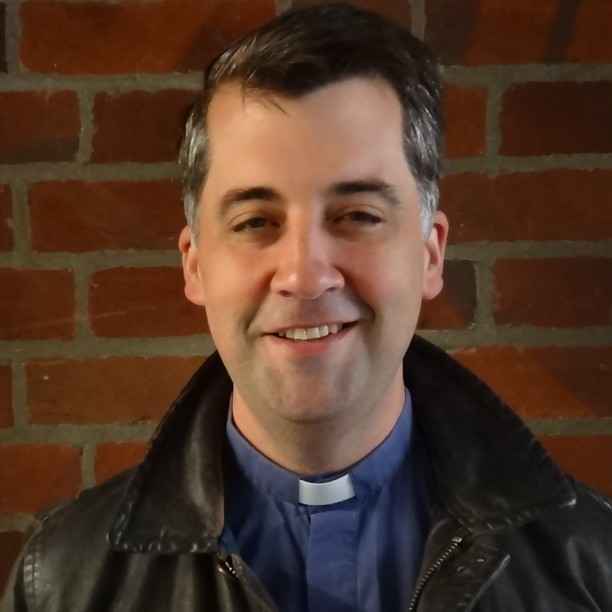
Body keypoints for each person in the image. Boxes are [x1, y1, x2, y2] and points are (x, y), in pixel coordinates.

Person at [4, 4, 612, 611]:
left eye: (358, 216)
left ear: (430, 255)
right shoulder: (62, 584)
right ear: (195, 265)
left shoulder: (594, 567)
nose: (304, 276)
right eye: (255, 221)